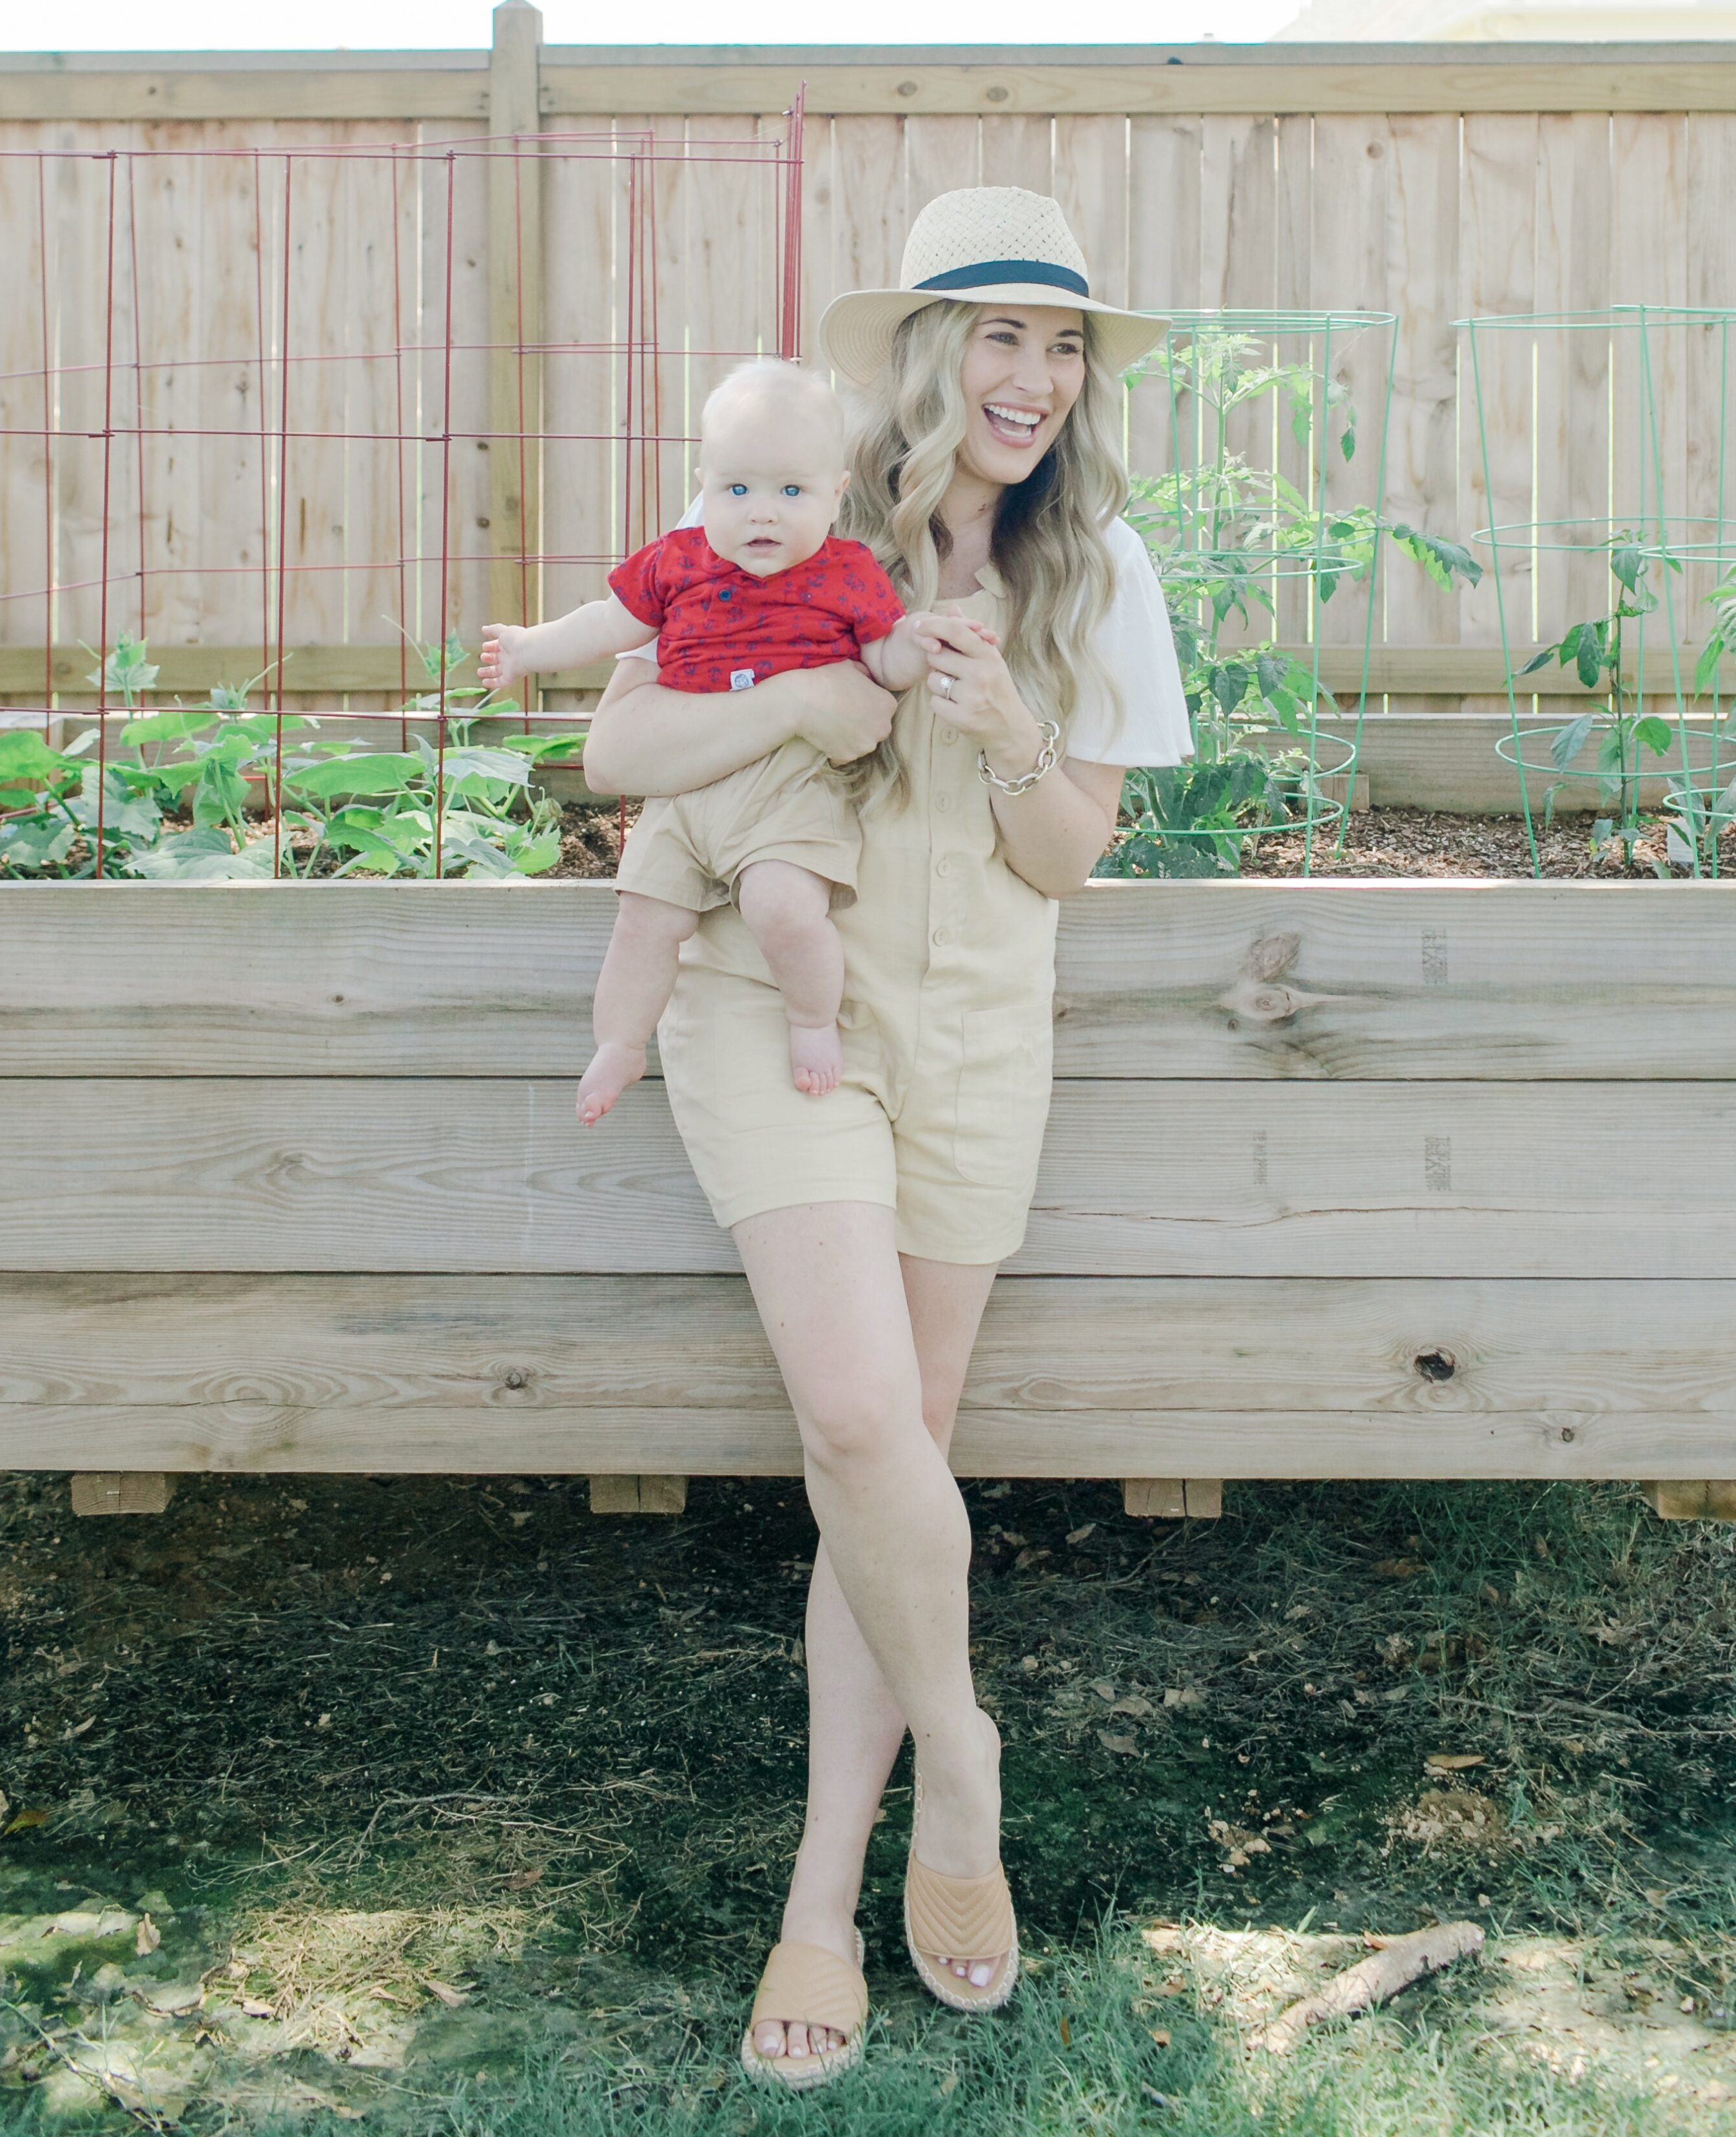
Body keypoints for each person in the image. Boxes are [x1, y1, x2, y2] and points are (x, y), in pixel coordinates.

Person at [581, 188, 1191, 2089]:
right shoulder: (789, 521)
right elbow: (620, 753)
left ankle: (831, 1886)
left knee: (894, 1464)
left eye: (1062, 342)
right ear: (929, 354)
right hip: (784, 1005)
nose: (1031, 376)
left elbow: (1068, 857)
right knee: (856, 1420)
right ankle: (970, 1750)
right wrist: (817, 682)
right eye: (997, 335)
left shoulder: (1104, 576)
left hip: (980, 1026)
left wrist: (1008, 718)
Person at [480, 362, 928, 1117]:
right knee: (644, 917)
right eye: (738, 488)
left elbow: (884, 658)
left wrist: (921, 643)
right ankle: (619, 1043)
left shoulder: (846, 573)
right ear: (705, 481)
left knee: (784, 904)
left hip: (788, 783)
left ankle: (812, 1018)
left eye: (792, 492)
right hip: (687, 782)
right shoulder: (678, 559)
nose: (763, 512)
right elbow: (608, 623)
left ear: (836, 493)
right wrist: (529, 647)